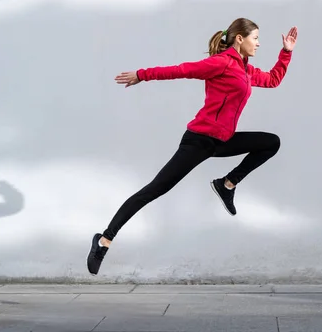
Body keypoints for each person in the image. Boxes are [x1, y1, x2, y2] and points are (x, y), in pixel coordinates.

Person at [87, 18, 298, 275]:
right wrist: (142, 75)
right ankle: (104, 240)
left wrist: (286, 52)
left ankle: (226, 184)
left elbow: (273, 80)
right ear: (239, 39)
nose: (259, 43)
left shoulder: (245, 69)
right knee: (156, 189)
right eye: (255, 38)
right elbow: (182, 69)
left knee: (270, 142)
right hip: (200, 140)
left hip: (223, 140)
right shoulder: (221, 63)